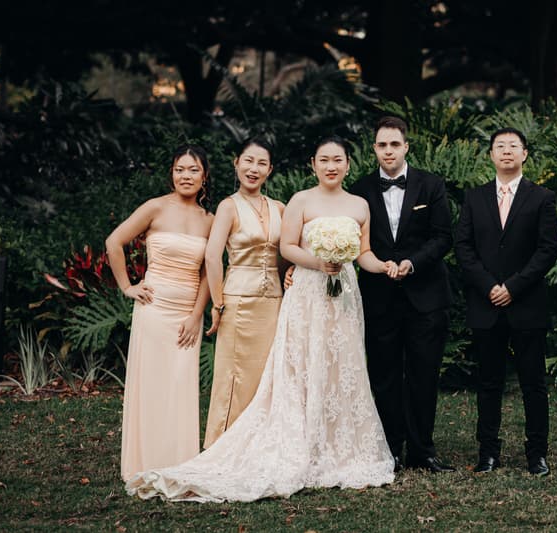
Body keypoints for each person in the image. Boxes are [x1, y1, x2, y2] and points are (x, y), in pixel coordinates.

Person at [126, 136, 399, 502]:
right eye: (324, 159)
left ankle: (327, 441)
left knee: (310, 372)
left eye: (338, 160)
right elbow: (243, 253)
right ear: (312, 164)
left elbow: (335, 250)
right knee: (249, 376)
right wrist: (219, 303)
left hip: (310, 298)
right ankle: (220, 447)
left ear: (348, 164)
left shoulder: (316, 205)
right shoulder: (261, 204)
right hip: (260, 296)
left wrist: (378, 266)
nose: (331, 166)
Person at [349, 116, 455, 473]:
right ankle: (390, 448)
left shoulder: (431, 185)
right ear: (374, 149)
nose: (389, 151)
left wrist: (412, 262)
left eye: (395, 144)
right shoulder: (360, 190)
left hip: (425, 296)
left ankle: (422, 450)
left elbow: (443, 237)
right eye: (382, 145)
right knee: (385, 375)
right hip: (379, 297)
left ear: (406, 146)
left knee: (424, 374)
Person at [454, 128, 557, 476]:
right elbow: (464, 248)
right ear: (491, 155)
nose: (506, 151)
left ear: (525, 154)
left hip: (526, 303)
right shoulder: (474, 197)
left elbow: (548, 250)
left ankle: (537, 453)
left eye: (513, 146)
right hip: (486, 305)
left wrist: (513, 287)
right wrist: (489, 287)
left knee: (533, 383)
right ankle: (488, 452)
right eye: (499, 146)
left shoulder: (542, 197)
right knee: (488, 382)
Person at [106, 144, 214, 481]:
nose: (186, 176)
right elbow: (114, 242)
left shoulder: (209, 220)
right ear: (172, 173)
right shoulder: (155, 208)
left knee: (181, 388)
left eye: (193, 170)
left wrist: (197, 315)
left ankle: (180, 464)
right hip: (153, 310)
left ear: (204, 177)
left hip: (186, 314)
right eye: (180, 169)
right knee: (151, 386)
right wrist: (127, 286)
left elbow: (208, 272)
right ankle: (144, 462)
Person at [202, 138, 289, 449]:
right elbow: (213, 256)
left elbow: (286, 252)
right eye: (248, 161)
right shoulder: (228, 206)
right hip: (238, 301)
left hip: (274, 303)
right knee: (235, 377)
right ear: (236, 162)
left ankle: (261, 445)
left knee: (268, 375)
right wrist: (217, 302)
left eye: (262, 163)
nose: (254, 169)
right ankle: (224, 446)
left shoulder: (280, 207)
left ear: (270, 169)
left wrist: (289, 271)